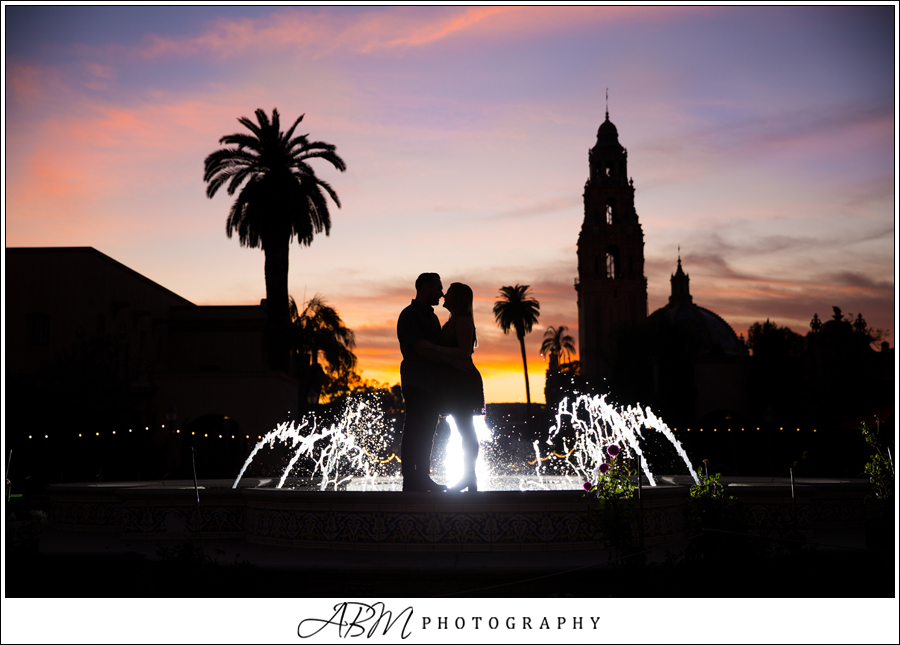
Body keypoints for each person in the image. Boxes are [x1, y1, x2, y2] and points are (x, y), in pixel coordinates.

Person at [415, 282, 485, 492]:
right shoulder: (454, 321)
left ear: (460, 299)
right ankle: (469, 478)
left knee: (466, 430)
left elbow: (464, 352)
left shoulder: (463, 321)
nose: (444, 295)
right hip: (455, 381)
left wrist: (435, 347)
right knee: (463, 429)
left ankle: (469, 477)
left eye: (450, 293)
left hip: (463, 380)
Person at [396, 273, 449, 492]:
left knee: (427, 429)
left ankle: (422, 476)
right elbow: (420, 349)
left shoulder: (432, 317)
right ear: (425, 287)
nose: (441, 293)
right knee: (415, 428)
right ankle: (410, 479)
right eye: (438, 288)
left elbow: (430, 348)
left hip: (432, 383)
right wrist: (450, 359)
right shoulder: (410, 315)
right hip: (417, 381)